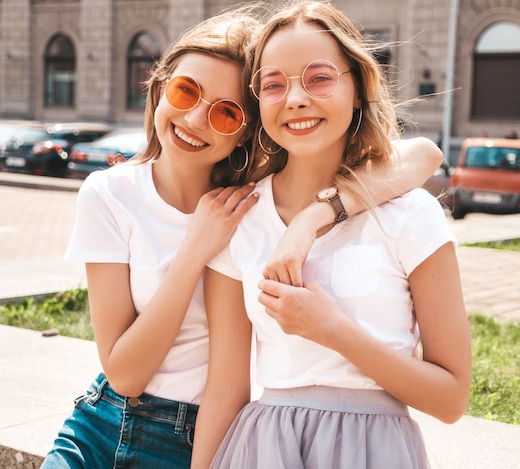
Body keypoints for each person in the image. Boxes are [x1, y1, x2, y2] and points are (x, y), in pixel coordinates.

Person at [41, 3, 443, 468]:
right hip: (100, 423)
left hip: (191, 438)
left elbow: (423, 155)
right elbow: (125, 373)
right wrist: (194, 250)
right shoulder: (110, 194)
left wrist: (313, 218)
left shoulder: (250, 205)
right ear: (159, 86)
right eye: (186, 91)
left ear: (246, 131)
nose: (194, 119)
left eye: (226, 113)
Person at [201, 1, 471, 468]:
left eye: (319, 78)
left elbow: (450, 399)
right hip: (263, 450)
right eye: (274, 84)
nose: (296, 98)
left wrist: (334, 330)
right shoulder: (241, 218)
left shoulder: (410, 215)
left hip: (374, 452)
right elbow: (225, 390)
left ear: (358, 89)